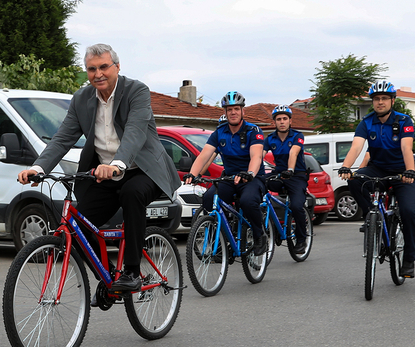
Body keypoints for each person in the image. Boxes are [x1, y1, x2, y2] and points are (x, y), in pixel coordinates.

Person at [17, 44, 179, 294]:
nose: (98, 74)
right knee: (77, 226)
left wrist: (117, 164)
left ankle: (132, 272)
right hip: (104, 174)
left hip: (143, 170)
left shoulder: (137, 91)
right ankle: (109, 279)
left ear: (117, 66)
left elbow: (135, 133)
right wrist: (38, 167)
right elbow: (62, 138)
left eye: (104, 67)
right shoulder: (82, 99)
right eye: (92, 69)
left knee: (132, 194)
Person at [337, 81, 415, 278]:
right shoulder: (366, 122)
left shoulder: (404, 121)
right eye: (376, 99)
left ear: (392, 100)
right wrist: (346, 166)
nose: (380, 102)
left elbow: (406, 148)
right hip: (377, 168)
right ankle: (370, 216)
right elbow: (356, 147)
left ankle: (409, 259)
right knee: (355, 180)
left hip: (402, 171)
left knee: (409, 211)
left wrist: (409, 171)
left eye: (384, 98)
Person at [183, 91, 268, 256]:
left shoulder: (253, 130)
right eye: (229, 110)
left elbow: (256, 157)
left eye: (236, 108)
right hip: (229, 178)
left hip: (252, 178)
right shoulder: (219, 132)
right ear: (225, 112)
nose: (233, 112)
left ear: (243, 111)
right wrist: (191, 174)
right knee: (209, 198)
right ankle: (224, 236)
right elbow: (204, 155)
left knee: (248, 201)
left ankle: (259, 234)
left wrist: (249, 173)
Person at [264, 105, 308, 254]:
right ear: (274, 122)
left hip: (296, 175)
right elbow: (259, 156)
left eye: (284, 119)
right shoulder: (270, 138)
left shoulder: (297, 136)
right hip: (279, 173)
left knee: (296, 206)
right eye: (278, 119)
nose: (282, 122)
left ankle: (301, 239)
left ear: (290, 121)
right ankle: (272, 226)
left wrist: (290, 170)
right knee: (257, 188)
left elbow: (293, 153)